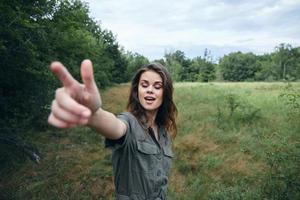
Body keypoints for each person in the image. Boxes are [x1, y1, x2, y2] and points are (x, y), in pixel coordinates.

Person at [48, 59, 177, 199]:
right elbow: (116, 126)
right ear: (137, 90)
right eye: (144, 85)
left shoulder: (164, 133)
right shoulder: (128, 122)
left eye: (157, 86)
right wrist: (93, 114)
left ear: (165, 93)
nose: (150, 90)